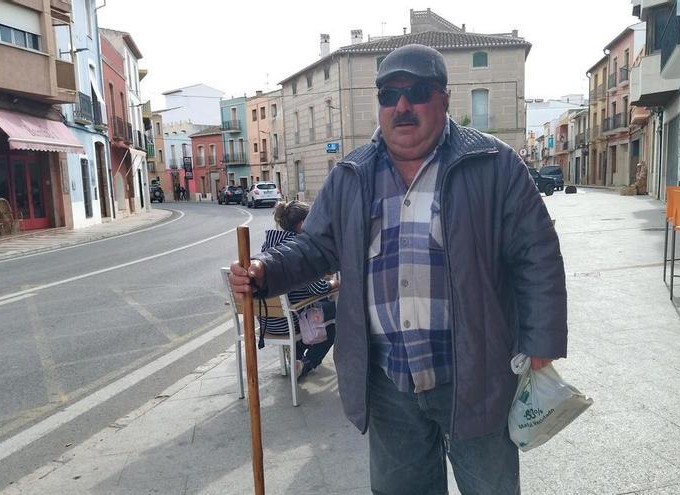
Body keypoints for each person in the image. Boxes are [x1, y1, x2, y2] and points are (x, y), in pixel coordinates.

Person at [230, 44, 567, 494]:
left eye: (418, 91)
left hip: (475, 374)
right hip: (388, 381)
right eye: (390, 94)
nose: (402, 106)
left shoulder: (493, 163)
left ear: (444, 99)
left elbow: (536, 253)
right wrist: (263, 270)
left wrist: (541, 341)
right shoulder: (352, 174)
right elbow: (314, 246)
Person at [258, 200, 337, 378]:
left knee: (323, 306)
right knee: (338, 318)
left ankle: (296, 353)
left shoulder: (268, 246)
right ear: (302, 224)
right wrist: (333, 284)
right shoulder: (296, 249)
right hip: (290, 322)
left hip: (267, 322)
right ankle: (304, 364)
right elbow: (317, 289)